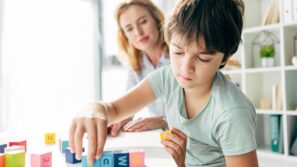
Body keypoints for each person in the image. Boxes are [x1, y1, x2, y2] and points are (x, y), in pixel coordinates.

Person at [69, 0, 259, 166]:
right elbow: (113, 109)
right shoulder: (167, 77)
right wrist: (93, 109)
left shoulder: (232, 113)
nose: (185, 68)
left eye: (202, 58)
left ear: (225, 56)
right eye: (177, 52)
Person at [108, 0, 170, 137]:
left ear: (157, 19)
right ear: (125, 36)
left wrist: (162, 120)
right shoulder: (137, 66)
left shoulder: (180, 55)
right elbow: (128, 108)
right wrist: (118, 122)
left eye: (143, 22)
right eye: (129, 29)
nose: (138, 32)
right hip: (161, 139)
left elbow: (198, 110)